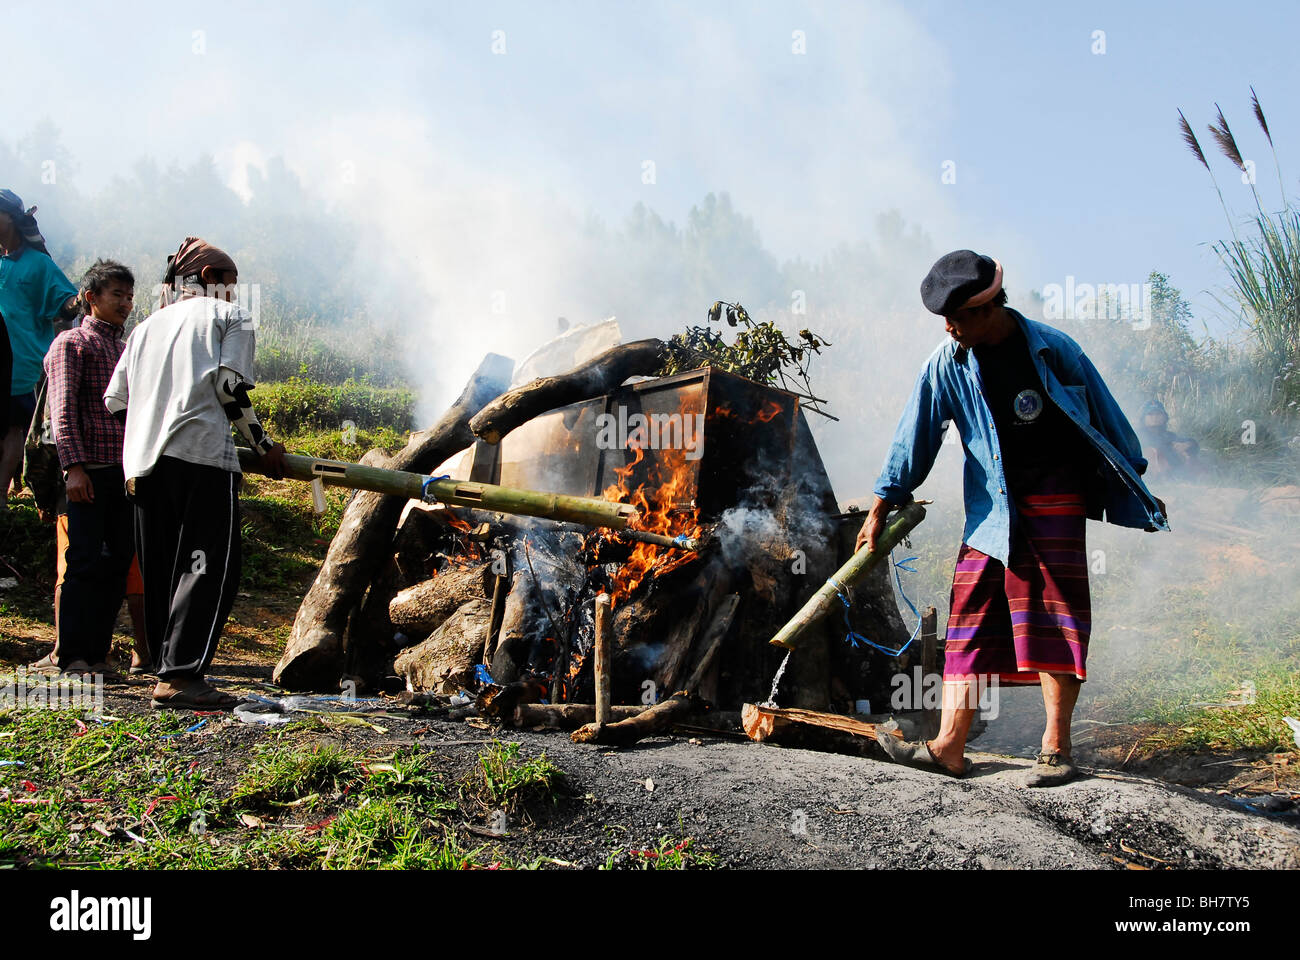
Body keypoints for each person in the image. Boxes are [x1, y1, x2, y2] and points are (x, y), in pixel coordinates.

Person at [858, 250, 1168, 787]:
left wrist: (1131, 482)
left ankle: (1056, 747)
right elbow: (915, 439)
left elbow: (1107, 418)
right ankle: (949, 747)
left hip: (1055, 501)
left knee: (1056, 613)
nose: (950, 328)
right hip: (990, 512)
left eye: (957, 318)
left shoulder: (1054, 351)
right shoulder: (945, 364)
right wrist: (882, 503)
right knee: (969, 620)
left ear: (987, 309)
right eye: (944, 320)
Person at [105, 238, 286, 710]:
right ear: (209, 279)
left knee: (163, 567)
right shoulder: (231, 318)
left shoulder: (145, 328)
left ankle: (166, 668)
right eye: (232, 282)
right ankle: (183, 677)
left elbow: (116, 401)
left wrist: (154, 423)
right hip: (201, 459)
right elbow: (230, 389)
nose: (235, 292)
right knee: (208, 568)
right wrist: (265, 448)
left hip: (142, 464)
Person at [28, 260, 150, 678]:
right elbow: (61, 411)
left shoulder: (125, 348)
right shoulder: (72, 343)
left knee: (116, 563)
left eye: (130, 296)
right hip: (87, 472)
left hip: (123, 472)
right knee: (81, 561)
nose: (125, 303)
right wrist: (73, 468)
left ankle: (97, 656)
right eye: (116, 294)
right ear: (90, 298)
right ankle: (73, 656)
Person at [0, 190, 80, 508]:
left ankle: (3, 500)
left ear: (11, 219)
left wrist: (86, 298)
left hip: (23, 364)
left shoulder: (38, 265)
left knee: (14, 430)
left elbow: (68, 303)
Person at [1138, 399, 1201, 479]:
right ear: (1143, 418)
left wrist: (1186, 445)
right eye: (1150, 414)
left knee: (1188, 455)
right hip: (1147, 475)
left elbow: (1193, 444)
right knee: (1152, 453)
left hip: (1170, 472)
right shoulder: (1137, 434)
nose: (1155, 417)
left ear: (1164, 417)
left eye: (1158, 414)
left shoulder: (1168, 435)